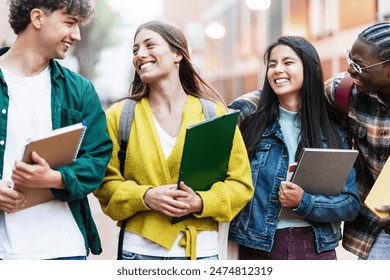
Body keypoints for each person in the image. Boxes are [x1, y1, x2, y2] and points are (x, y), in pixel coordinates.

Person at [93, 20, 254, 260]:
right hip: (139, 253)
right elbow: (104, 183)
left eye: (149, 45)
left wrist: (200, 201)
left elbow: (241, 184)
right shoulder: (119, 116)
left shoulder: (214, 114)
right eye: (135, 50)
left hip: (201, 253)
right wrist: (145, 197)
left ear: (177, 53)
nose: (140, 55)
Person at [228, 36, 361, 260]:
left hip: (315, 249)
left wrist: (304, 202)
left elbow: (349, 203)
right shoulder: (250, 125)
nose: (277, 70)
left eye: (287, 62)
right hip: (258, 249)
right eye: (272, 64)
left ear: (308, 68)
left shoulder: (331, 132)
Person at [0, 0, 112, 260]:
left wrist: (54, 178)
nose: (77, 35)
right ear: (38, 18)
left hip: (62, 250)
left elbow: (98, 160)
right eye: (69, 23)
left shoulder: (80, 90)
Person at [324, 22, 390, 260]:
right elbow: (297, 97)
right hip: (377, 224)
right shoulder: (344, 91)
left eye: (358, 65)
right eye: (350, 60)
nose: (350, 70)